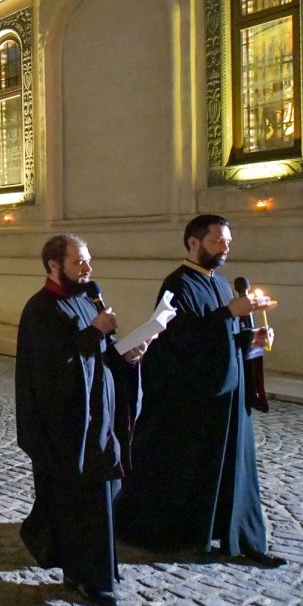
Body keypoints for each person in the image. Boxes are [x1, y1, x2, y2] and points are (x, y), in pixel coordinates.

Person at [116, 214, 285, 568]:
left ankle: (241, 538)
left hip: (228, 397)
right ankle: (183, 534)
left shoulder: (221, 284)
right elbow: (177, 340)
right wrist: (228, 314)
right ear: (193, 242)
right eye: (217, 241)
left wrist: (250, 339)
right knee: (191, 469)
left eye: (227, 242)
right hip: (193, 401)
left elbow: (222, 338)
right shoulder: (177, 285)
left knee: (235, 470)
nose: (225, 248)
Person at [15, 234, 147, 606]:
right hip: (69, 426)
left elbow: (103, 355)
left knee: (106, 495)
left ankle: (97, 568)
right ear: (54, 266)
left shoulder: (90, 301)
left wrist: (129, 356)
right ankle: (87, 577)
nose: (88, 268)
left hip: (100, 419)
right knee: (81, 504)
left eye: (89, 260)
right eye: (79, 262)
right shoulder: (40, 310)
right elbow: (50, 370)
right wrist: (94, 333)